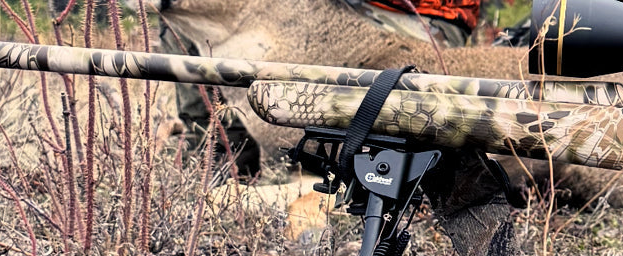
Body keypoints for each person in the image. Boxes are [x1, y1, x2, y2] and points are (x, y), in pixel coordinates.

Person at [158, 0, 483, 180]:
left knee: (385, 83)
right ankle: (224, 157)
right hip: (351, 6)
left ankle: (347, 168)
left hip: (423, 15)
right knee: (183, 19)